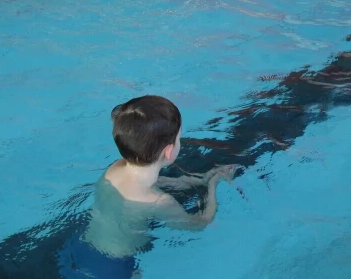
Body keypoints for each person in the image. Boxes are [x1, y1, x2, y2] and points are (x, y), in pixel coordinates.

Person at [59, 96, 238, 277]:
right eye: (179, 139)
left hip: (81, 247)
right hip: (114, 267)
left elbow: (150, 183)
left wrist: (197, 180)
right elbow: (198, 224)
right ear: (169, 151)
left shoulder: (115, 169)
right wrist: (213, 184)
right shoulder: (159, 201)